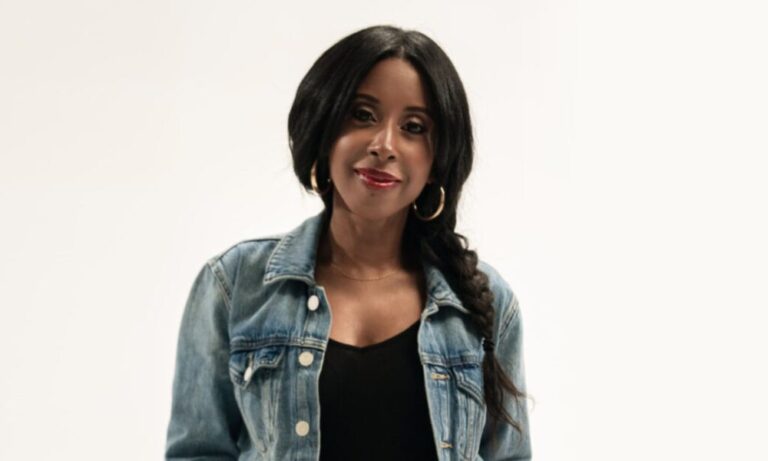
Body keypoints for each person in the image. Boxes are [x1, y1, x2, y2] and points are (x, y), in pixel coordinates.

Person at [165, 25, 532, 461]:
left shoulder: (485, 302)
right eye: (362, 115)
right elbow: (198, 452)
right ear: (325, 127)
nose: (384, 145)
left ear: (437, 160)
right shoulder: (235, 284)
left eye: (414, 127)